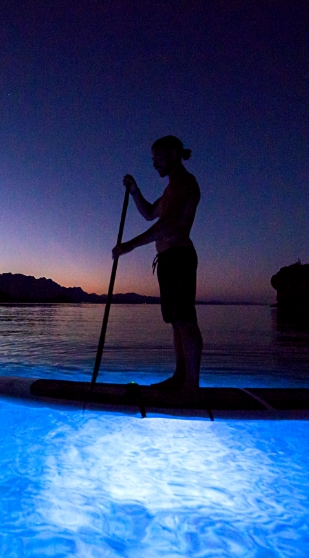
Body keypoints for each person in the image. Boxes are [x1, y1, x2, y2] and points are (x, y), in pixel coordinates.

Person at [112, 135, 203, 393]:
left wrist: (129, 246)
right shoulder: (170, 189)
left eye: (158, 158)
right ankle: (180, 377)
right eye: (153, 159)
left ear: (173, 154)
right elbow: (150, 213)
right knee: (176, 321)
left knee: (185, 320)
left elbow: (168, 224)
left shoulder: (185, 183)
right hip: (167, 259)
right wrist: (135, 191)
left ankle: (191, 387)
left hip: (179, 257)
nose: (155, 164)